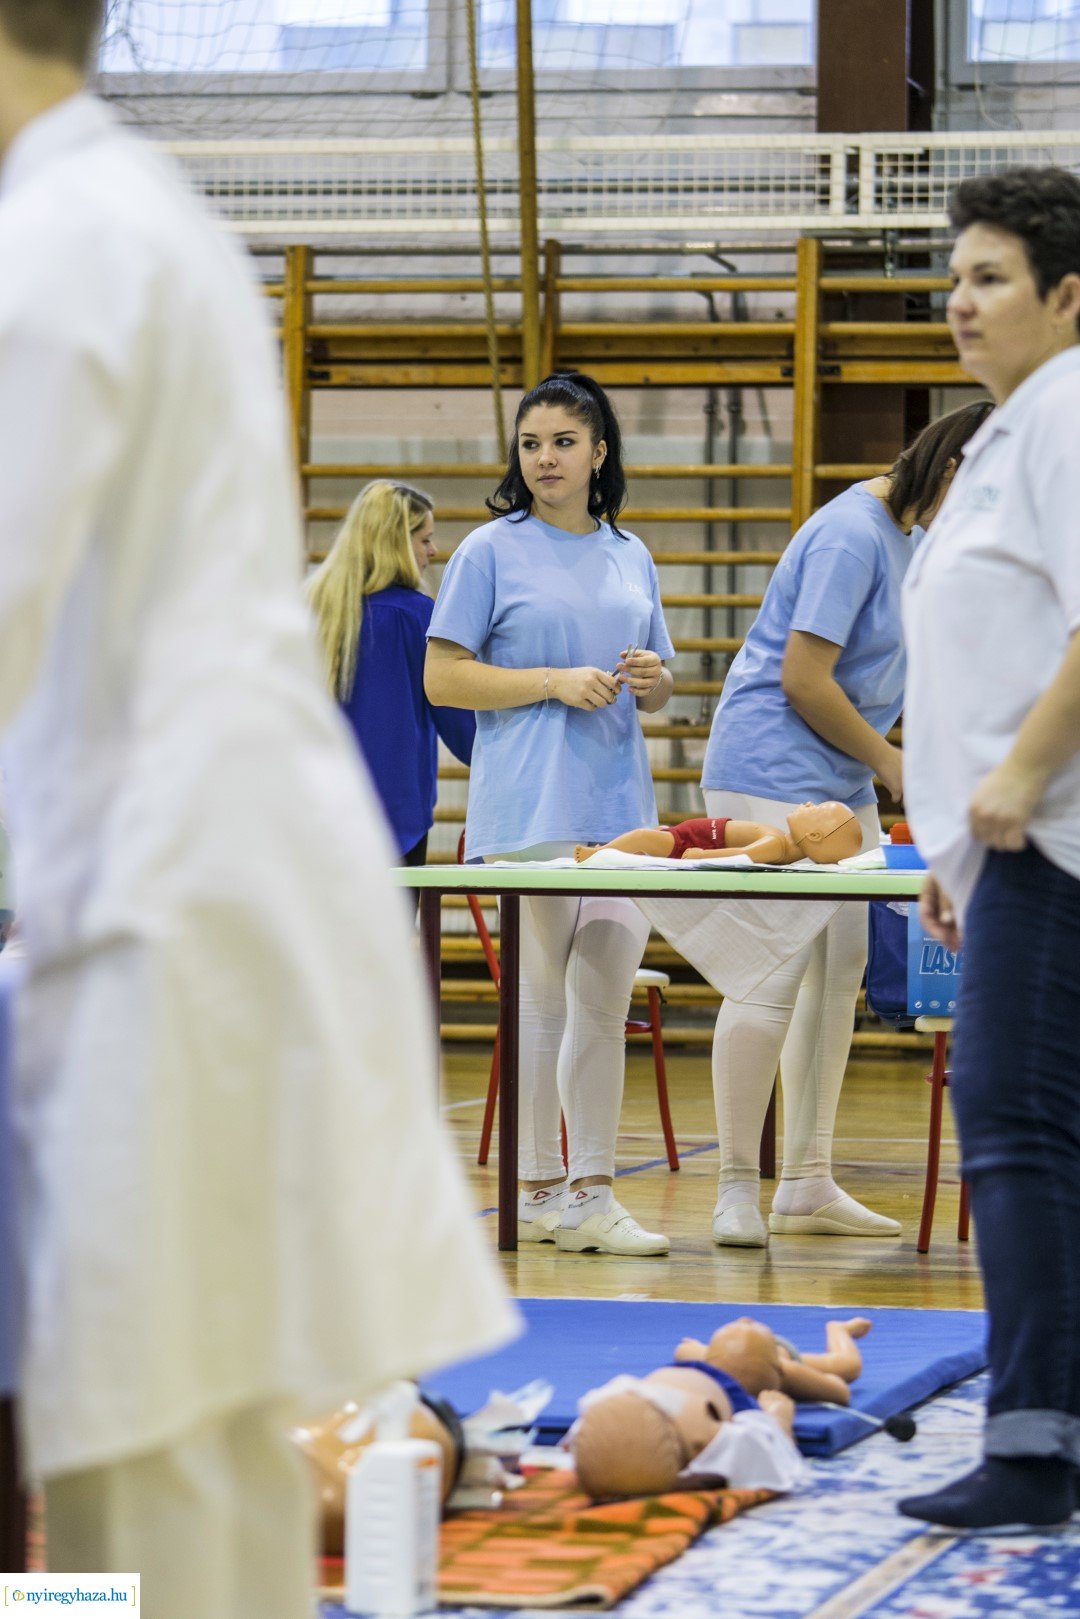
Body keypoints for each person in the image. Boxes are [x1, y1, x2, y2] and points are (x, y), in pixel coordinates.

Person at [0, 6, 516, 1614]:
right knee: (192, 1435)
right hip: (202, 880)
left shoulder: (58, 240)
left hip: (176, 900)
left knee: (140, 1443)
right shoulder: (130, 213)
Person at [700, 401, 993, 1248]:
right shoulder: (851, 532)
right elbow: (804, 678)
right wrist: (893, 763)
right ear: (947, 473)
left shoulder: (921, 542)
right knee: (773, 969)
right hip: (768, 767)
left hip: (840, 771)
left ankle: (806, 1179)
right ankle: (734, 1186)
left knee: (841, 971)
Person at [899, 167, 1080, 1532]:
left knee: (1013, 1133)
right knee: (1036, 1136)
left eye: (993, 277)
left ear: (1067, 295)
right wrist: (947, 849)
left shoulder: (1072, 412)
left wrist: (1014, 783)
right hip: (1003, 847)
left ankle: (1029, 1447)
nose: (960, 301)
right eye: (955, 277)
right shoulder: (1010, 434)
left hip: (1053, 835)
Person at [425, 370, 676, 1257]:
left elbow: (660, 687)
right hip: (526, 808)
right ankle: (536, 1188)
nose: (545, 459)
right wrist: (549, 683)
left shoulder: (630, 553)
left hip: (620, 812)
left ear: (600, 452)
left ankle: (593, 1192)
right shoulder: (489, 552)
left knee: (604, 1000)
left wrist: (654, 681)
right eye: (532, 444)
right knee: (540, 1007)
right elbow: (443, 676)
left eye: (564, 442)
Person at [306, 479, 475, 870]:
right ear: (396, 542)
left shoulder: (310, 608)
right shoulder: (416, 616)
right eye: (424, 540)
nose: (432, 551)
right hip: (396, 823)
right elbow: (460, 724)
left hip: (318, 817)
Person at [570, 1316, 872, 1499]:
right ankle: (837, 1330)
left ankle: (838, 1330)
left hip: (648, 1398)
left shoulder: (695, 1355)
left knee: (614, 1412)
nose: (744, 1320)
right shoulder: (757, 1381)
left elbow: (839, 1387)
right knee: (761, 1437)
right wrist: (779, 1417)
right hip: (663, 1406)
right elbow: (839, 1391)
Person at [574, 801, 862, 866]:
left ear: (814, 837)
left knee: (641, 838)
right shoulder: (779, 842)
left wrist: (703, 856)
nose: (808, 804)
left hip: (696, 841)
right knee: (645, 840)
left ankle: (598, 853)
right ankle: (607, 852)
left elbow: (740, 855)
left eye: (816, 810)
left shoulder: (775, 845)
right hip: (694, 836)